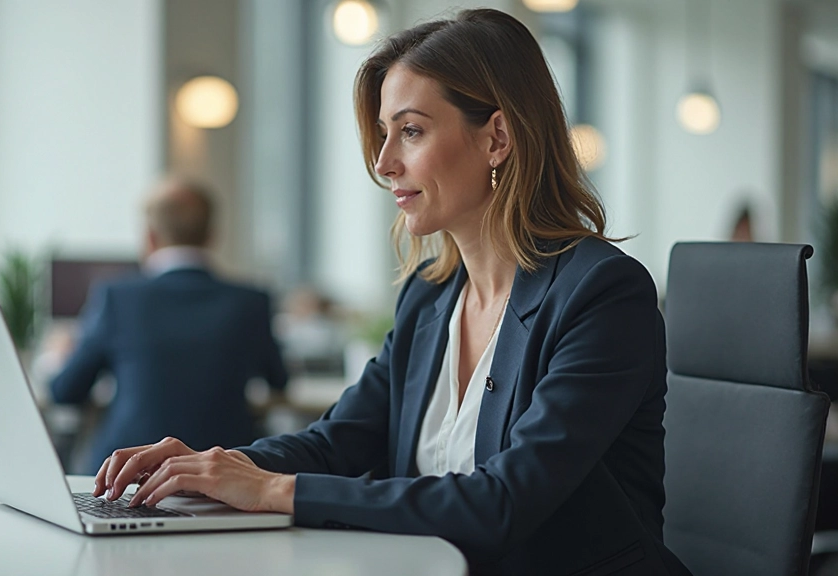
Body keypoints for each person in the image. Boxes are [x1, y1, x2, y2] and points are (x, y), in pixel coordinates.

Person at [92, 9, 691, 575]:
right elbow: (340, 441)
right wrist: (213, 467)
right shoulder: (429, 299)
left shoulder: (601, 294)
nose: (383, 162)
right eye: (384, 134)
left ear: (497, 138)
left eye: (411, 131)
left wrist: (272, 490)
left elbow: (502, 502)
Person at [49, 178, 288, 473]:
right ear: (212, 236)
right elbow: (279, 380)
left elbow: (65, 391)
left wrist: (60, 353)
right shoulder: (251, 302)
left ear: (150, 237)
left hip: (125, 475)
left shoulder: (118, 298)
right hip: (224, 474)